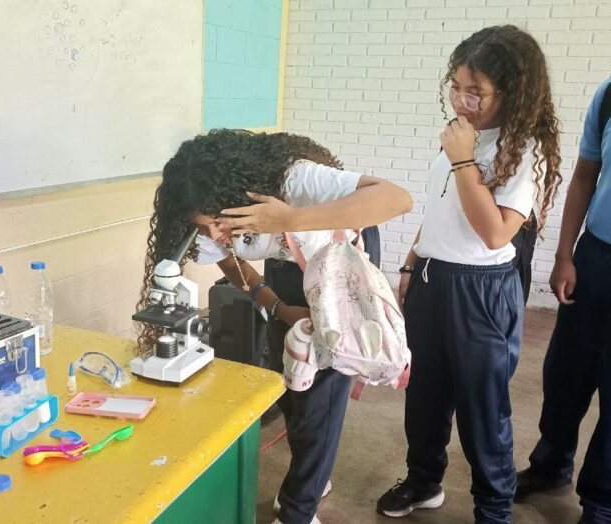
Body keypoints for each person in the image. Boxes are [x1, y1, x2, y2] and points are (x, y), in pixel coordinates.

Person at [135, 129, 412, 524]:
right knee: (287, 379)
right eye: (203, 227)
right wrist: (280, 309)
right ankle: (312, 476)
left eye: (219, 223)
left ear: (242, 197)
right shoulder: (205, 224)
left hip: (337, 256)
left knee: (320, 391)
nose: (214, 236)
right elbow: (237, 270)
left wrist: (291, 219)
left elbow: (397, 198)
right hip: (288, 261)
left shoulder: (295, 179)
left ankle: (299, 509)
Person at [375, 26, 562, 524]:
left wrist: (463, 160)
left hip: (481, 290)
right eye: (456, 87)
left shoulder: (523, 149)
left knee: (483, 409)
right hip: (432, 278)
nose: (462, 100)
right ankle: (423, 481)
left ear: (511, 92)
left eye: (475, 92)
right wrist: (413, 260)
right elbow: (441, 209)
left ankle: (494, 509)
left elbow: (496, 234)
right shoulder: (462, 133)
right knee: (424, 395)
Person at [515, 78, 611, 524]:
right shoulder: (609, 94)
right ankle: (550, 465)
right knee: (565, 373)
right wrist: (564, 255)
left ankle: (602, 502)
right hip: (595, 256)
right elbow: (585, 174)